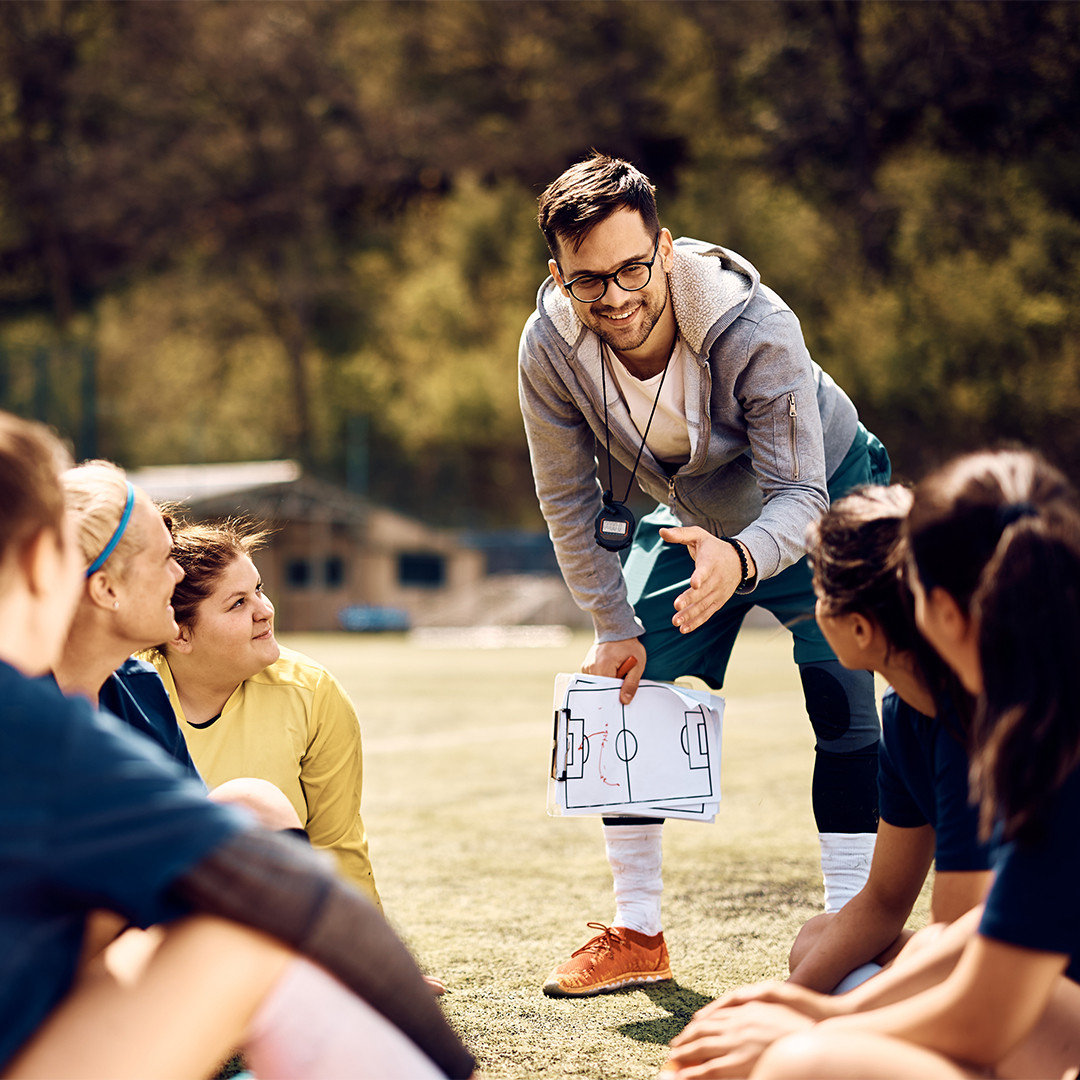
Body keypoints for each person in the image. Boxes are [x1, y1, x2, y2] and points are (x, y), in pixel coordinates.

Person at [0, 410, 476, 1080]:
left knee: (243, 823)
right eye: (166, 558)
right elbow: (283, 891)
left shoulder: (127, 689)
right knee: (251, 929)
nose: (177, 572)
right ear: (90, 583)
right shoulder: (36, 726)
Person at [519, 152, 889, 996]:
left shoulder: (753, 323)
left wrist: (746, 556)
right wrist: (612, 625)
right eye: (587, 280)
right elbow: (567, 501)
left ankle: (851, 935)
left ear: (667, 248)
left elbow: (800, 492)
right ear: (557, 276)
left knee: (841, 695)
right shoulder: (549, 343)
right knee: (628, 683)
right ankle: (639, 931)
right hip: (697, 518)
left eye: (632, 268)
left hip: (829, 495)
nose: (614, 295)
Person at [661, 449, 1080, 1080]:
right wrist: (798, 1005)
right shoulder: (1036, 706)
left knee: (806, 1065)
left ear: (937, 609)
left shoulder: (1026, 734)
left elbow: (982, 996)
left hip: (1046, 999)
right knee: (825, 967)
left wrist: (815, 1025)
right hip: (1040, 982)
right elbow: (982, 928)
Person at [784, 484, 992, 996]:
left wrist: (816, 1018)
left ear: (860, 628)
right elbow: (883, 900)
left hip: (1027, 971)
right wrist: (794, 998)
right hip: (981, 949)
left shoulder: (978, 720)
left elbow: (965, 947)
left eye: (821, 594)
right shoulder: (903, 715)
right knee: (815, 940)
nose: (815, 610)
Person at [138, 518, 380, 906]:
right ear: (179, 633)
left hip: (271, 914)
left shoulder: (313, 693)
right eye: (238, 603)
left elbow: (337, 846)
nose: (265, 610)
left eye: (258, 590)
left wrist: (371, 960)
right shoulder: (125, 696)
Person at [55, 460, 301, 833]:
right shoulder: (19, 706)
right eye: (163, 559)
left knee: (254, 802)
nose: (179, 573)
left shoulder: (139, 688)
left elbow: (185, 831)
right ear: (106, 589)